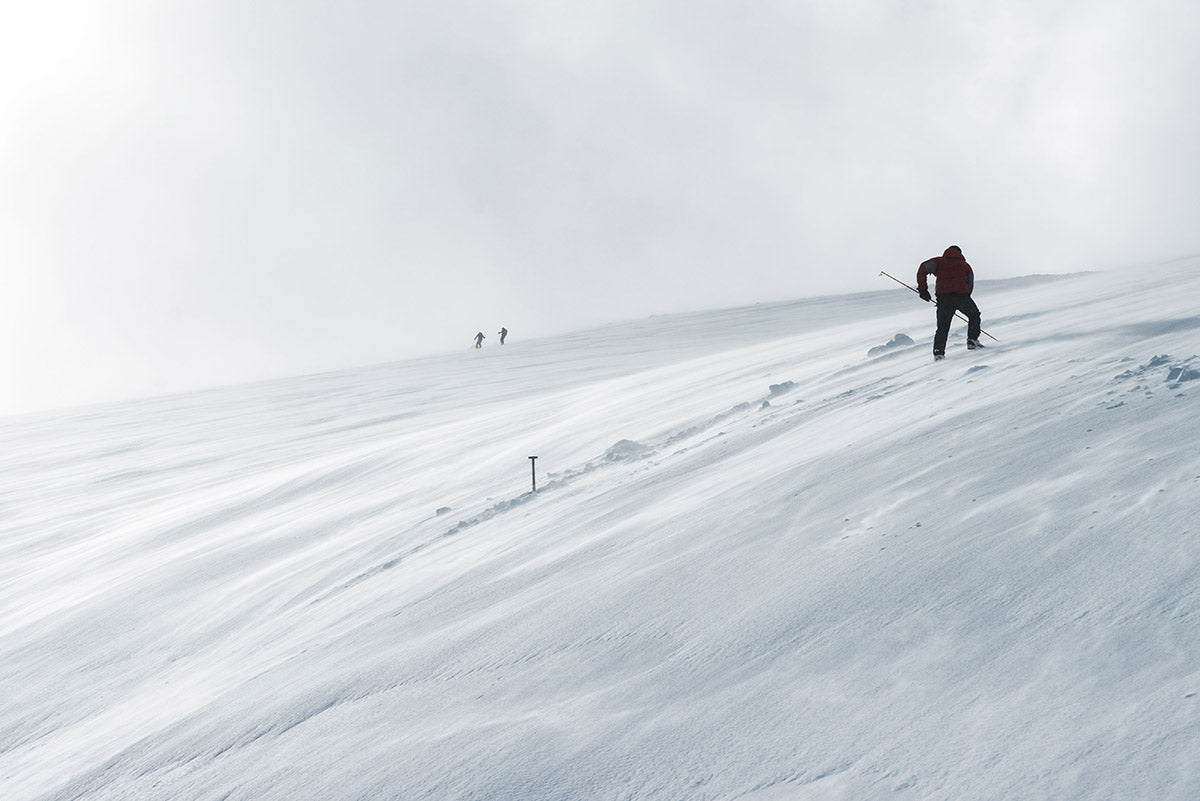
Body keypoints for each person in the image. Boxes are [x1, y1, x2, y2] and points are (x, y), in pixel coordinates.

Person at [917, 245, 983, 361]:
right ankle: (972, 340)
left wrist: (923, 290)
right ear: (960, 253)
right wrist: (966, 296)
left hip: (944, 299)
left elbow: (923, 268)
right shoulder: (965, 265)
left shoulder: (939, 262)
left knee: (943, 327)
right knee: (974, 315)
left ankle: (938, 353)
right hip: (962, 297)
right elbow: (970, 282)